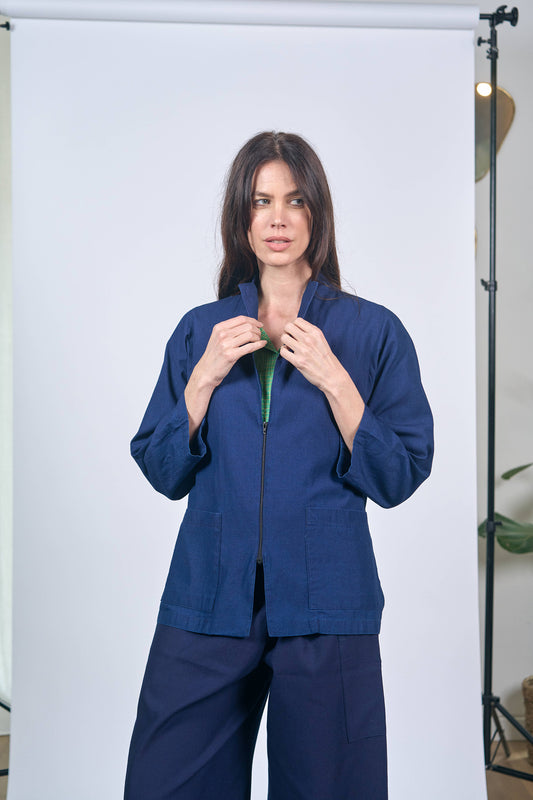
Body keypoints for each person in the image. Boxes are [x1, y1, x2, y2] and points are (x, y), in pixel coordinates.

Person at [124, 131, 433, 800]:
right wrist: (203, 379)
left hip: (328, 600)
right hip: (208, 594)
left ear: (317, 213)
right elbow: (161, 467)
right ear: (242, 217)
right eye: (261, 201)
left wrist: (335, 380)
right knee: (166, 783)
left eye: (295, 200)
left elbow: (400, 474)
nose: (278, 218)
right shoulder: (200, 331)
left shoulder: (371, 331)